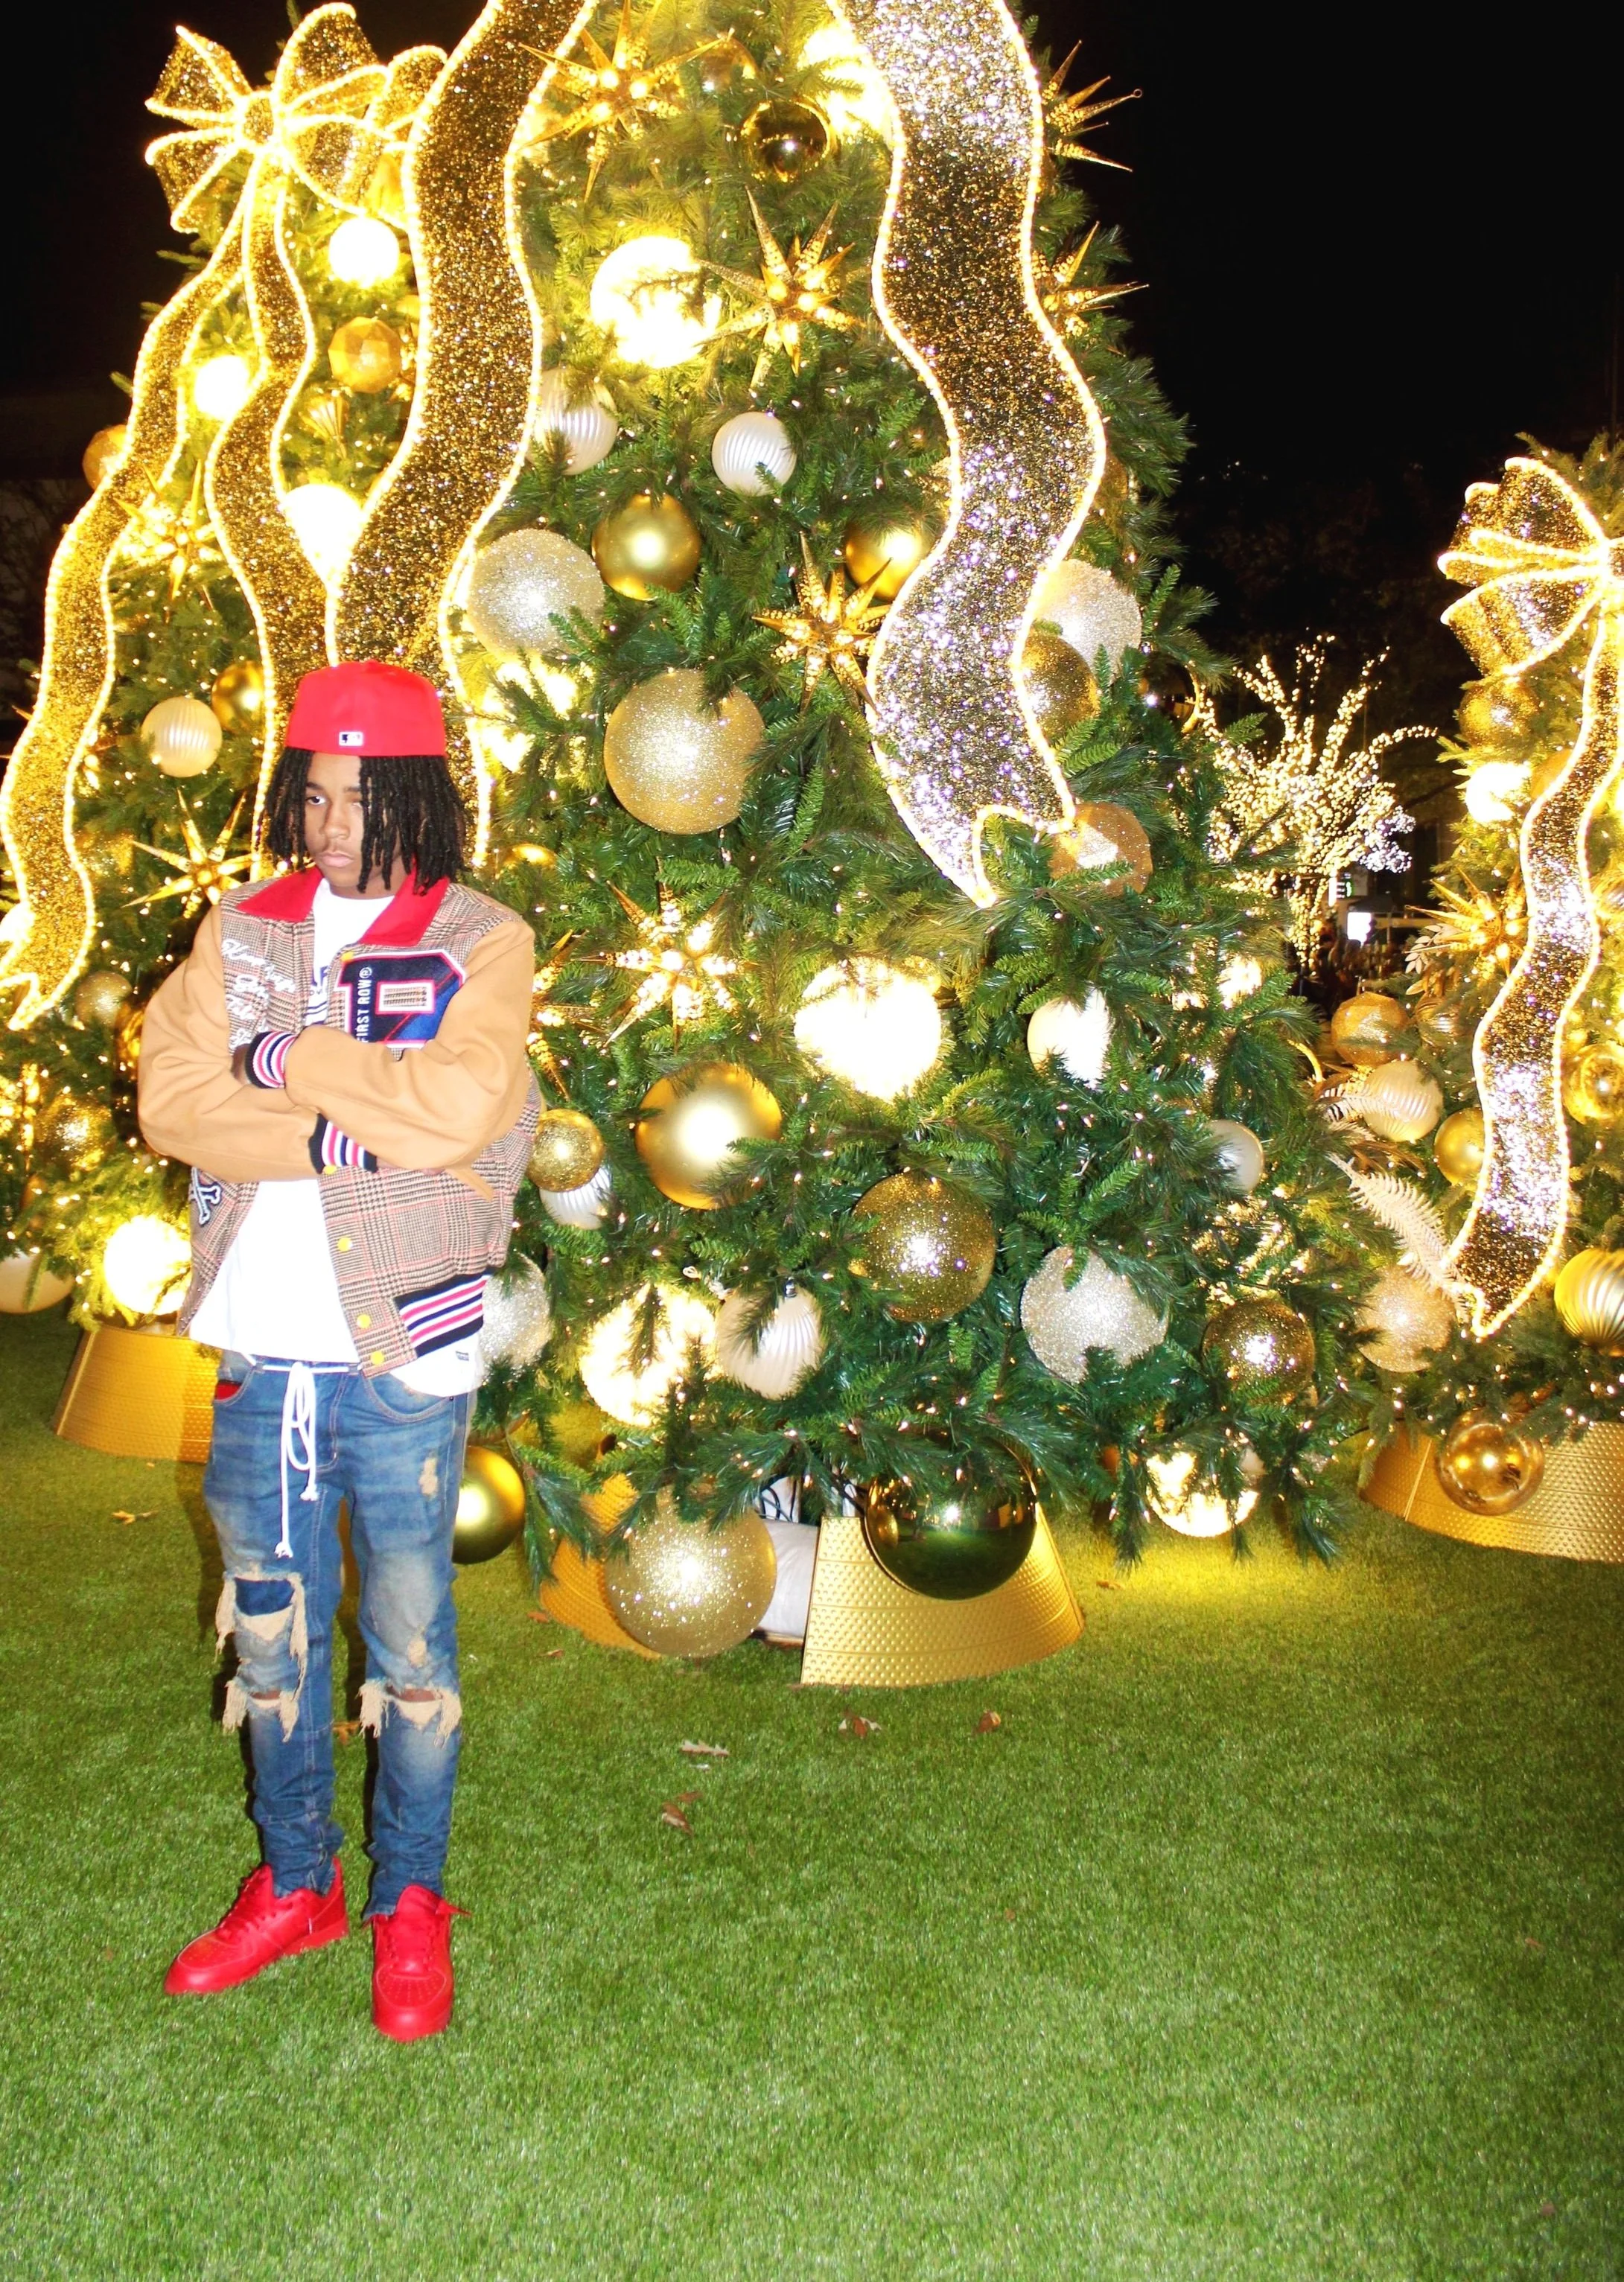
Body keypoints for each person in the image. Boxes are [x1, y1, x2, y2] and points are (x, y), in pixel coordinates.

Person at [138, 659, 538, 2041]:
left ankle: (409, 1903)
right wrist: (338, 1116)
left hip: (403, 1353)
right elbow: (175, 1107)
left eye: (358, 797)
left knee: (413, 1644)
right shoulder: (237, 929)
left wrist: (286, 1057)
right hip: (263, 1348)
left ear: (417, 796)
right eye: (311, 793)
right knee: (272, 1634)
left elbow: (462, 1107)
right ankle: (298, 1882)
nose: (327, 823)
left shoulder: (484, 938)